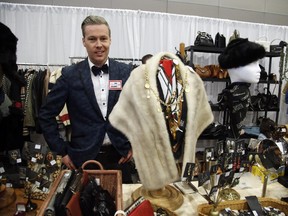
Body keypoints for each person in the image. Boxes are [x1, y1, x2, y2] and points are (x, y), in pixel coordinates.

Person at [38, 15, 134, 183]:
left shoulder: (125, 72)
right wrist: (62, 151)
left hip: (119, 157)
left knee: (121, 206)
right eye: (92, 39)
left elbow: (138, 111)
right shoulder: (69, 75)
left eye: (103, 38)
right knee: (85, 207)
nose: (99, 45)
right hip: (83, 159)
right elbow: (45, 115)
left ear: (110, 40)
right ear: (84, 41)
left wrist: (134, 144)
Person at [218, 38, 266, 138]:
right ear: (234, 67)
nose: (259, 69)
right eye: (253, 63)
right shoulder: (237, 95)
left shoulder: (242, 92)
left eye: (258, 64)